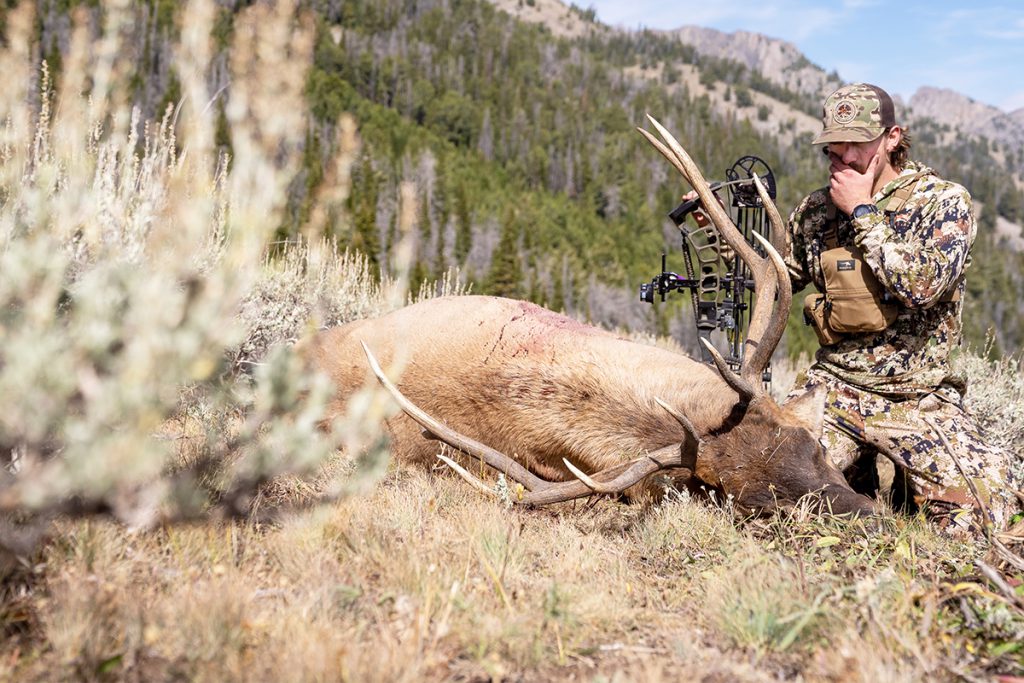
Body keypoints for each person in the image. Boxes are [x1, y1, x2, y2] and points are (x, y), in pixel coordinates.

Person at [780, 82, 1018, 536]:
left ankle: (900, 484)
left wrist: (862, 213)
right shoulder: (814, 211)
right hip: (835, 388)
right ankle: (859, 480)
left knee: (980, 521)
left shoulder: (943, 202)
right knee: (771, 491)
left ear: (892, 138)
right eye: (834, 143)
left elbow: (921, 286)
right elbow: (777, 280)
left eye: (857, 142)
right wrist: (715, 233)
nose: (843, 155)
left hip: (919, 394)